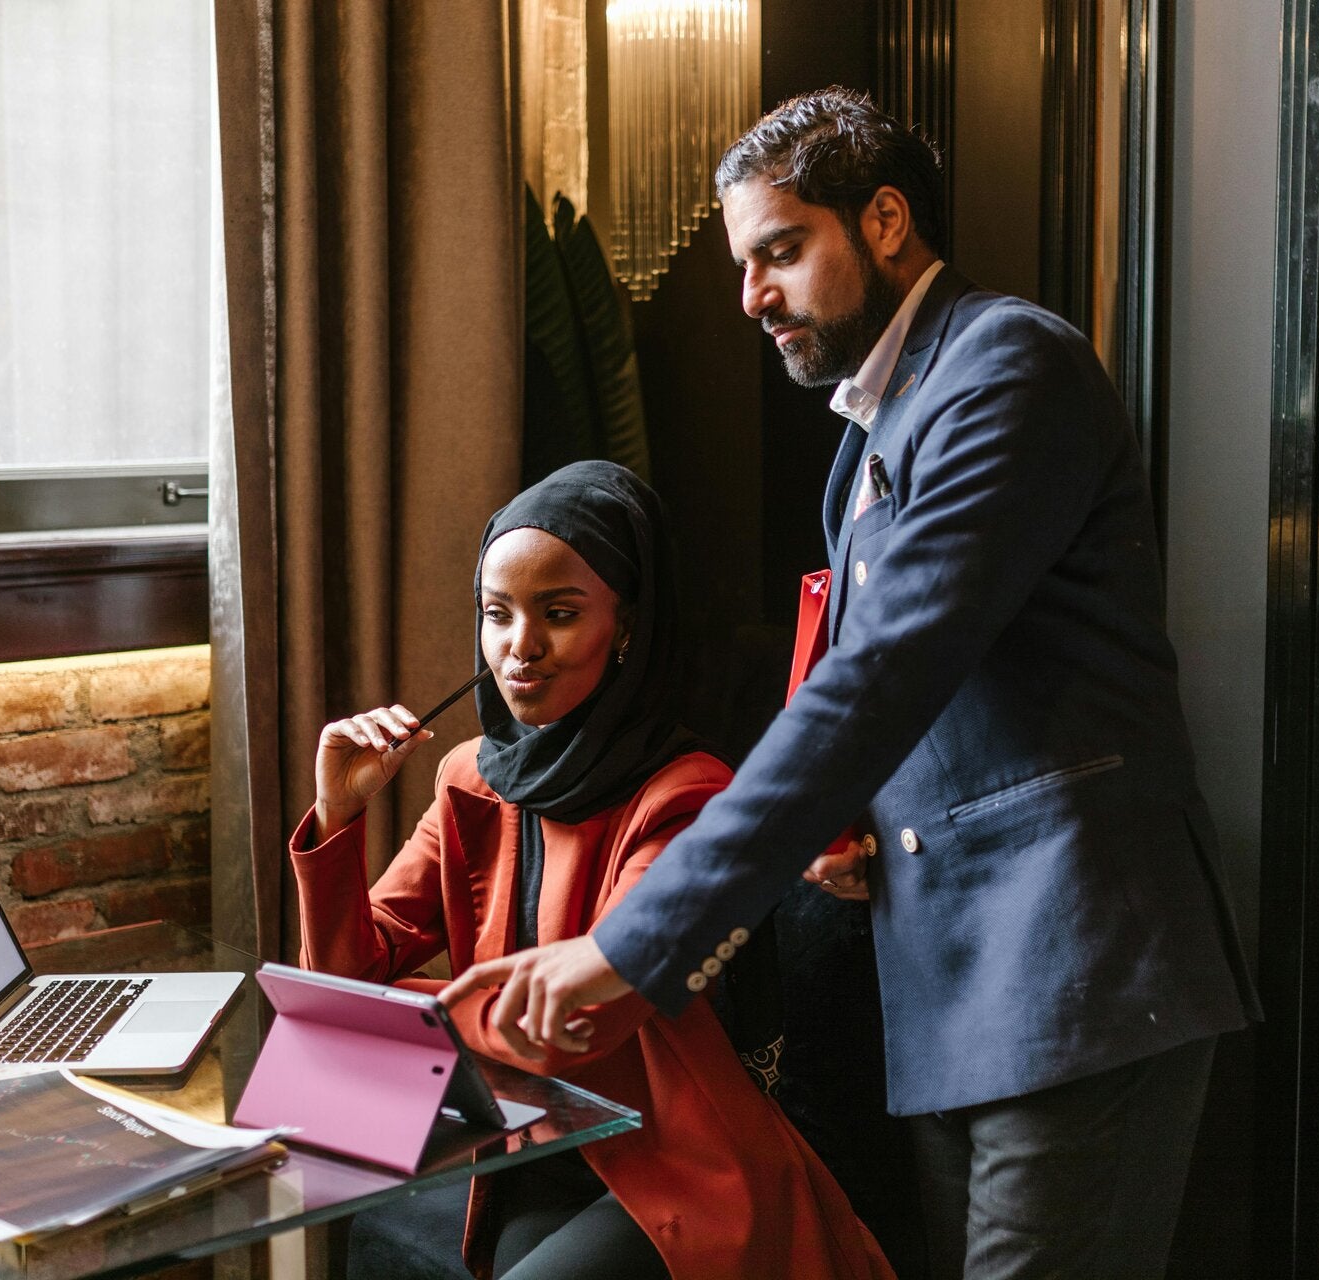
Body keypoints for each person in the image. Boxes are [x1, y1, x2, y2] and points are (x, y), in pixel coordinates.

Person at [442, 88, 1263, 1280]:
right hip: (952, 990)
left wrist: (628, 946)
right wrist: (857, 827)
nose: (752, 295)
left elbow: (880, 677)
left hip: (1077, 966)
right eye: (744, 263)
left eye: (781, 251)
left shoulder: (1007, 364)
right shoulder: (871, 430)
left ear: (884, 221)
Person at [288, 460, 894, 1280]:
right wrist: (338, 815)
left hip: (674, 1161)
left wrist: (392, 1023)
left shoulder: (688, 794)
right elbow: (346, 977)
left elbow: (577, 1023)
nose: (521, 646)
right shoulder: (470, 778)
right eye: (497, 614)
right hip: (539, 1149)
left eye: (560, 614)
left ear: (627, 627)